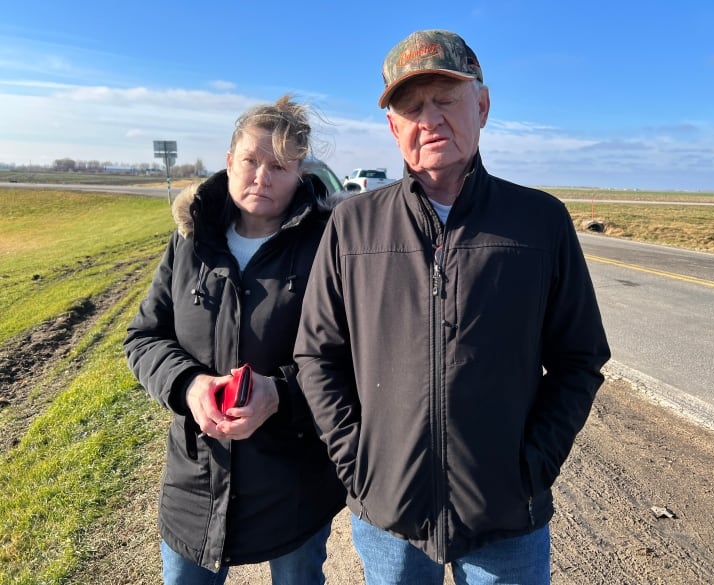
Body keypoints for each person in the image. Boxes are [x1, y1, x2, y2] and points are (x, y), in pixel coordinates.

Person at [294, 30, 611, 584]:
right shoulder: (354, 224)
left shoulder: (539, 222)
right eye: (412, 106)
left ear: (483, 106)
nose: (430, 118)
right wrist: (358, 464)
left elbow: (580, 358)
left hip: (506, 519)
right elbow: (317, 355)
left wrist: (532, 468)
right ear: (394, 127)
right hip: (389, 514)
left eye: (446, 98)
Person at [124, 95, 345, 585]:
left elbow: (350, 358)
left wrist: (280, 394)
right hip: (194, 484)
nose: (262, 177)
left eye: (280, 166)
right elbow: (144, 336)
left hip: (296, 484)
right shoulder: (190, 239)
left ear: (301, 172)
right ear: (228, 161)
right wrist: (189, 386)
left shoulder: (329, 246)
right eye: (250, 160)